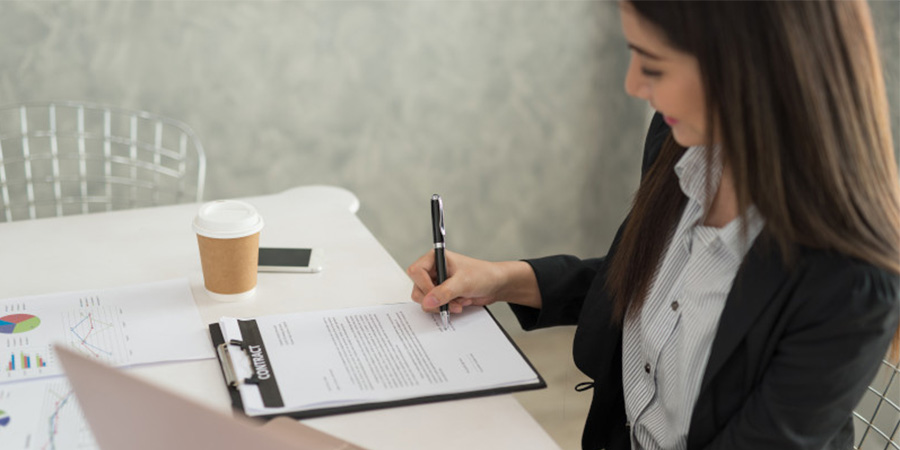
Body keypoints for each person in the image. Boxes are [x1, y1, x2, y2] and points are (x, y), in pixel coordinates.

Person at [406, 1, 900, 450]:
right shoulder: (681, 140)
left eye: (654, 65)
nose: (633, 86)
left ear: (747, 69)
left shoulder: (854, 288)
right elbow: (653, 284)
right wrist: (503, 280)